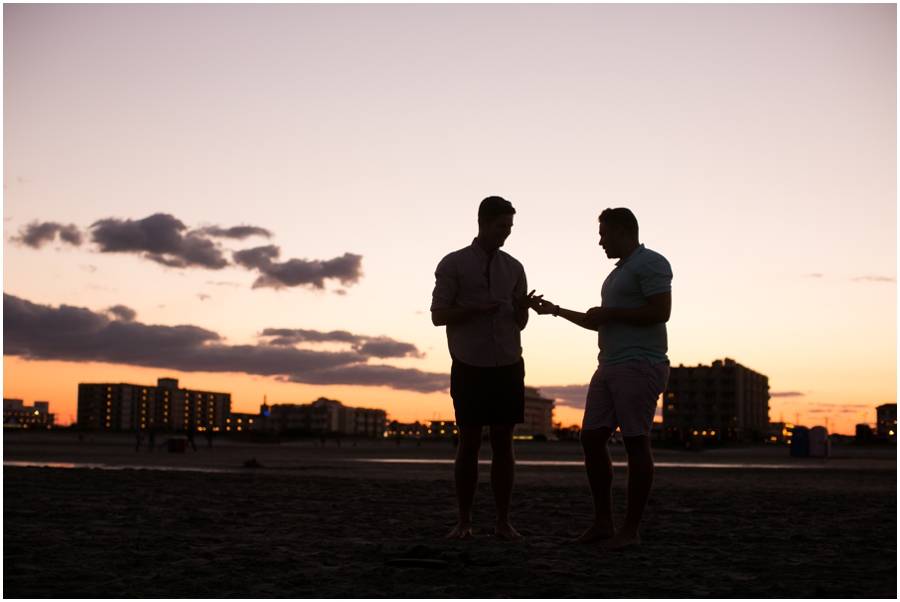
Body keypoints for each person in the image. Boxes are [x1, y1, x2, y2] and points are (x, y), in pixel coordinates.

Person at [530, 207, 672, 549]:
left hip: (639, 364)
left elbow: (660, 311)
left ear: (621, 231)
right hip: (609, 365)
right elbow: (600, 320)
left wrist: (610, 312)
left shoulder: (650, 262)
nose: (600, 242)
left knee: (636, 443)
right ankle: (603, 524)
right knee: (591, 439)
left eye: (604, 234)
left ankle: (630, 532)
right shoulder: (616, 275)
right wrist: (556, 311)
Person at [431, 196, 534, 541]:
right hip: (469, 362)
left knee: (504, 443)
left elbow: (520, 323)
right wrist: (475, 309)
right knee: (470, 441)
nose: (506, 233)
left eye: (509, 227)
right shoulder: (454, 264)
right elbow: (438, 316)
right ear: (483, 223)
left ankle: (503, 522)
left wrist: (522, 307)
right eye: (501, 226)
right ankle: (464, 522)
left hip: (507, 361)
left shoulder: (515, 268)